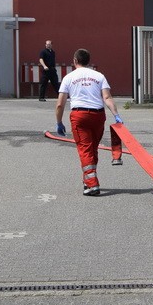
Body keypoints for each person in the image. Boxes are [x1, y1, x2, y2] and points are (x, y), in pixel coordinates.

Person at [54, 48, 123, 196]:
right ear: (88, 60)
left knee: (85, 149)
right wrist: (116, 114)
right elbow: (107, 97)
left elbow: (60, 104)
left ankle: (92, 185)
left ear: (75, 60)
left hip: (80, 116)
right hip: (98, 116)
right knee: (92, 148)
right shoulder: (99, 76)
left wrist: (59, 122)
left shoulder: (69, 77)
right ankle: (88, 180)